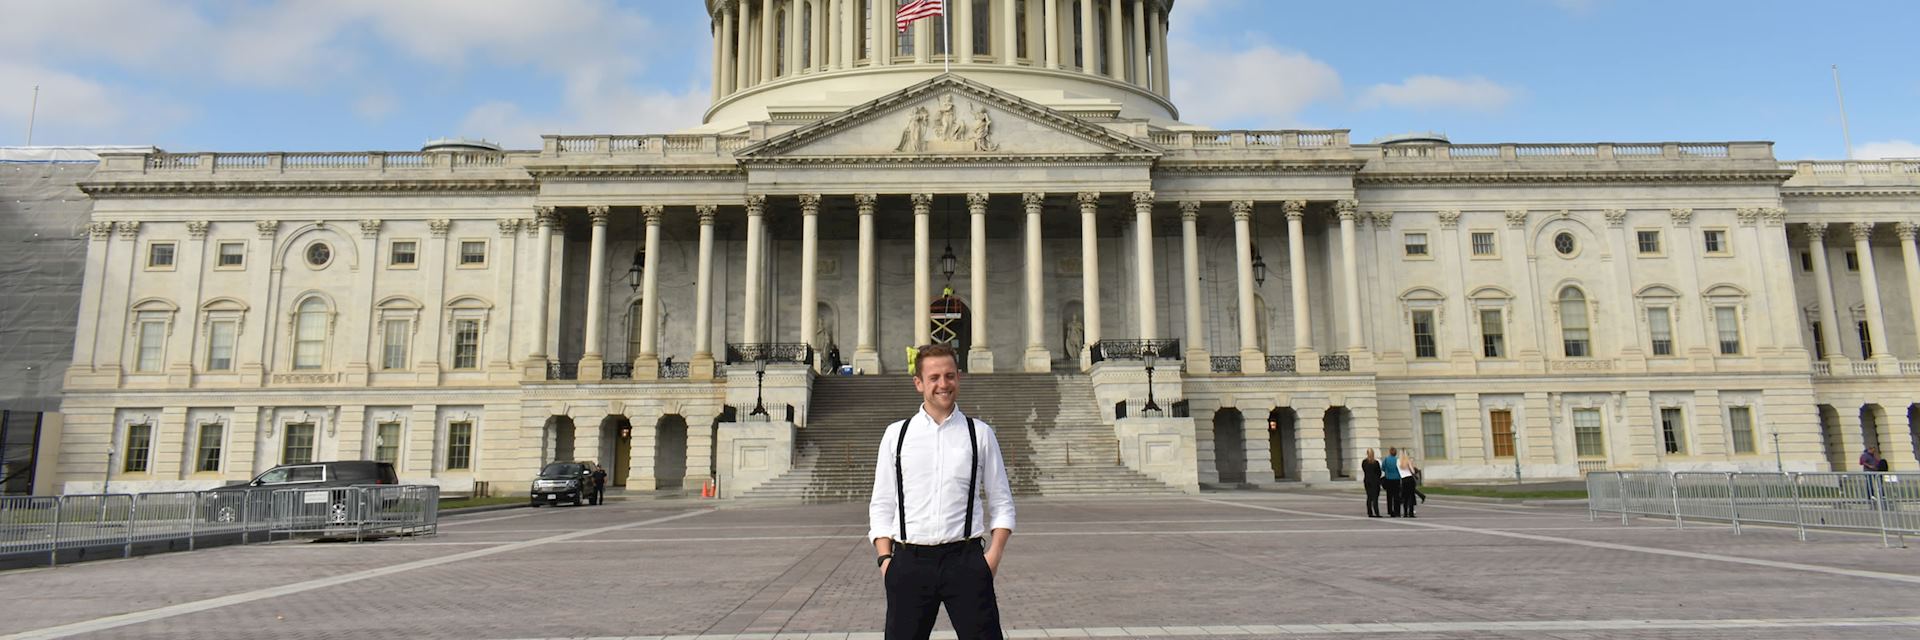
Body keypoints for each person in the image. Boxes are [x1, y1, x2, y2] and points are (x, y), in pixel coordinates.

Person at [869, 344, 1015, 640]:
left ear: (958, 378)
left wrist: (992, 557)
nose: (943, 384)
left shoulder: (980, 434)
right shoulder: (896, 435)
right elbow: (882, 503)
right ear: (919, 383)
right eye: (934, 377)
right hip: (909, 562)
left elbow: (1002, 503)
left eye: (949, 375)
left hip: (966, 561)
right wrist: (886, 561)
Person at [1381, 447, 1403, 517]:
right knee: (1397, 496)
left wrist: (1387, 472)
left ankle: (1390, 510)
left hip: (1389, 479)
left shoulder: (1386, 459)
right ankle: (1397, 511)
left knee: (1389, 496)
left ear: (1390, 452)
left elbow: (1383, 468)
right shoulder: (1397, 460)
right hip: (1396, 479)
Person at [1361, 449, 1383, 518]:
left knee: (1369, 497)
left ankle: (1370, 512)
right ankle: (1377, 512)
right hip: (1375, 481)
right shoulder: (1375, 463)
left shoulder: (1364, 462)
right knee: (1375, 498)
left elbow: (1364, 470)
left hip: (1367, 480)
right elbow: (1379, 472)